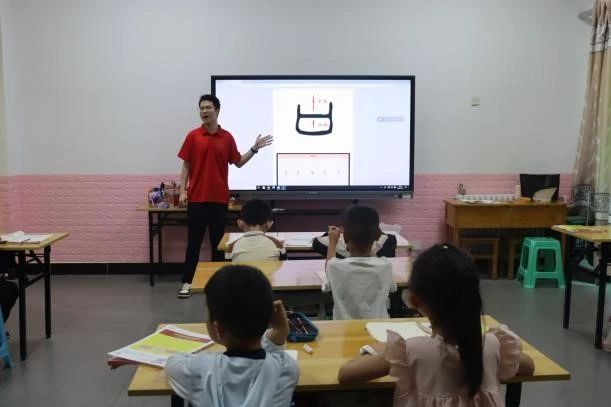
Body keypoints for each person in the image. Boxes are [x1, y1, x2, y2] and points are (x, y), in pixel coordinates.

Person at [337, 244, 535, 406]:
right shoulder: (492, 345)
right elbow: (528, 366)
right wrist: (490, 341)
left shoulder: (410, 351)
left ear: (414, 301)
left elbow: (346, 374)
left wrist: (381, 350)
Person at [177, 94, 272, 298]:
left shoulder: (227, 137)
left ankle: (219, 286)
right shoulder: (193, 136)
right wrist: (183, 191)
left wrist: (254, 148)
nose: (204, 111)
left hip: (219, 200)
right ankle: (187, 281)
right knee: (193, 243)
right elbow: (186, 165)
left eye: (208, 107)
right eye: (201, 108)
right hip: (197, 200)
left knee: (218, 245)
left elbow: (238, 162)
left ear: (217, 110)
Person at [165, 265, 299, 407]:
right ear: (269, 316)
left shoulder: (199, 369)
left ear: (218, 328)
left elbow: (172, 363)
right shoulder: (287, 369)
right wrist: (279, 331)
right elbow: (270, 359)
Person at [323, 204, 397, 319]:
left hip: (344, 328)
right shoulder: (386, 266)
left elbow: (329, 266)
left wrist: (332, 242)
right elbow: (393, 288)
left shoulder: (334, 267)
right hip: (378, 327)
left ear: (345, 236)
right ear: (378, 235)